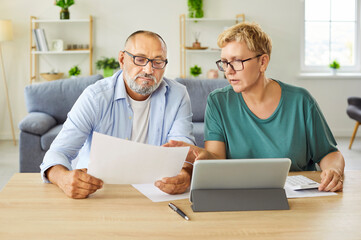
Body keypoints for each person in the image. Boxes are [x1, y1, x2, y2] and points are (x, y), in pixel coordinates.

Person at [161, 22, 345, 193]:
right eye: (224, 62)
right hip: (242, 195)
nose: (229, 70)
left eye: (237, 61)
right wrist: (197, 155)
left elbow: (330, 154)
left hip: (297, 198)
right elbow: (217, 160)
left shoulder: (301, 101)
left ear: (263, 62)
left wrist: (334, 171)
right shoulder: (218, 102)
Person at [40, 30, 195, 199]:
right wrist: (63, 178)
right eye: (140, 59)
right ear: (122, 59)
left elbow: (184, 152)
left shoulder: (178, 95)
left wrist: (185, 174)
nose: (149, 69)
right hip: (99, 193)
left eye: (158, 62)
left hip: (155, 194)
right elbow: (58, 152)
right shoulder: (95, 97)